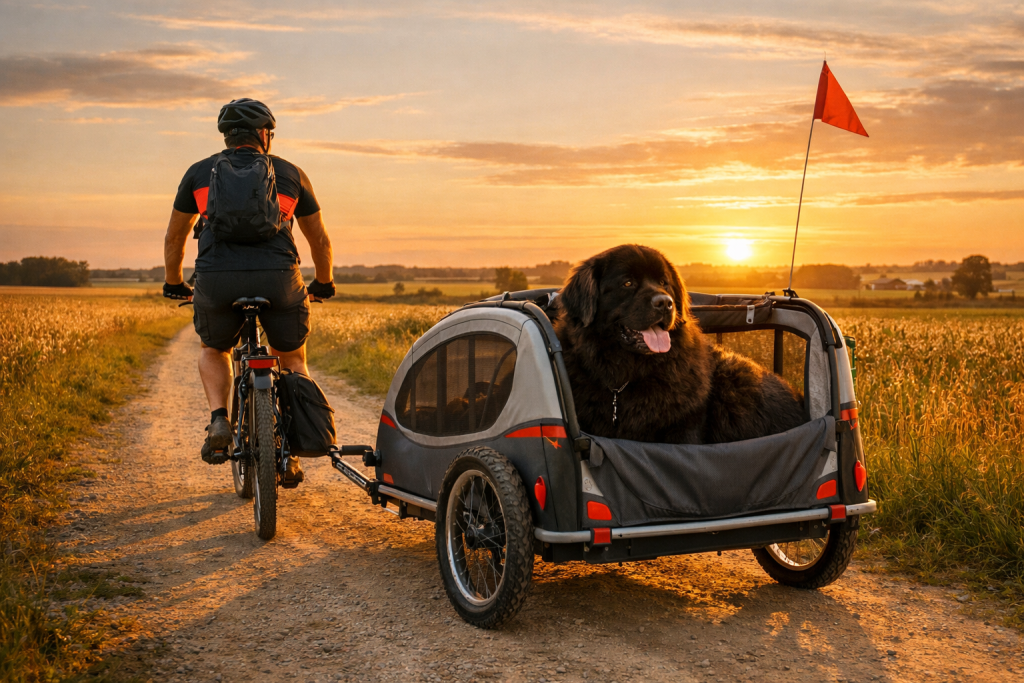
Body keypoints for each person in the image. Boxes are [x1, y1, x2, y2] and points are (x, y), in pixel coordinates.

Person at [162, 98, 336, 484]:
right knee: (292, 357)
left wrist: (174, 283)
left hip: (217, 279)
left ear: (227, 136)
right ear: (263, 135)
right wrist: (323, 282)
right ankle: (292, 451)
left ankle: (219, 420)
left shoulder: (199, 173)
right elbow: (320, 240)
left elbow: (175, 237)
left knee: (214, 348)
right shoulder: (291, 173)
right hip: (279, 278)